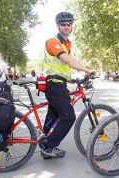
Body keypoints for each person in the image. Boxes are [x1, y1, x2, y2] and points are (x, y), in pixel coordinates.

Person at [40, 11, 95, 159]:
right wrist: (87, 70)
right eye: (63, 24)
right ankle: (48, 146)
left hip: (59, 83)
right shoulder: (52, 41)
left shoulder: (66, 43)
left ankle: (45, 144)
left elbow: (62, 67)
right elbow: (68, 61)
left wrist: (70, 79)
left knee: (54, 115)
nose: (66, 27)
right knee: (68, 117)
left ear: (71, 27)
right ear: (58, 26)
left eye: (68, 24)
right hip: (54, 84)